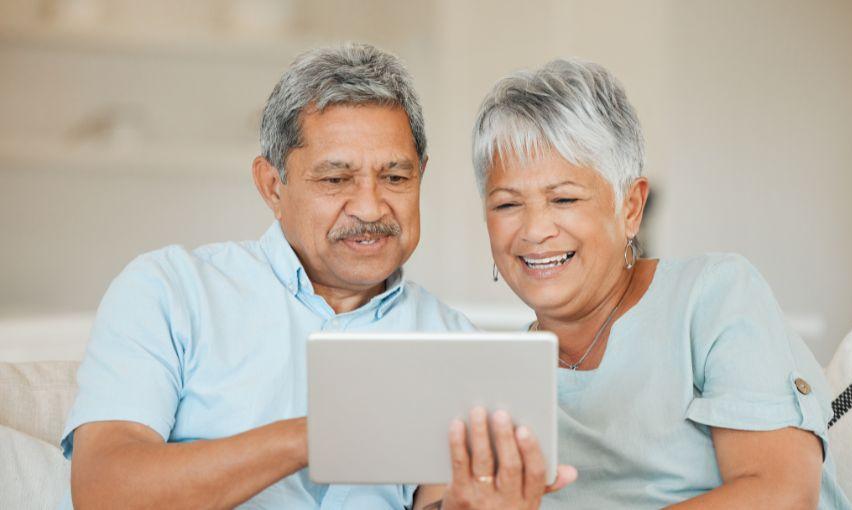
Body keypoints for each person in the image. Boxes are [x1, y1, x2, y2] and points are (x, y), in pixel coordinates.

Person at [61, 43, 513, 510]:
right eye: (336, 180)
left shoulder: (454, 342)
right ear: (273, 186)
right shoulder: (169, 291)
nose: (370, 207)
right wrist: (313, 438)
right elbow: (103, 491)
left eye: (395, 178)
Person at [420, 59, 852, 509]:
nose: (534, 230)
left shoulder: (713, 296)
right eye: (507, 205)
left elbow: (780, 495)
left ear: (630, 208)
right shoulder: (495, 383)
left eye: (564, 198)